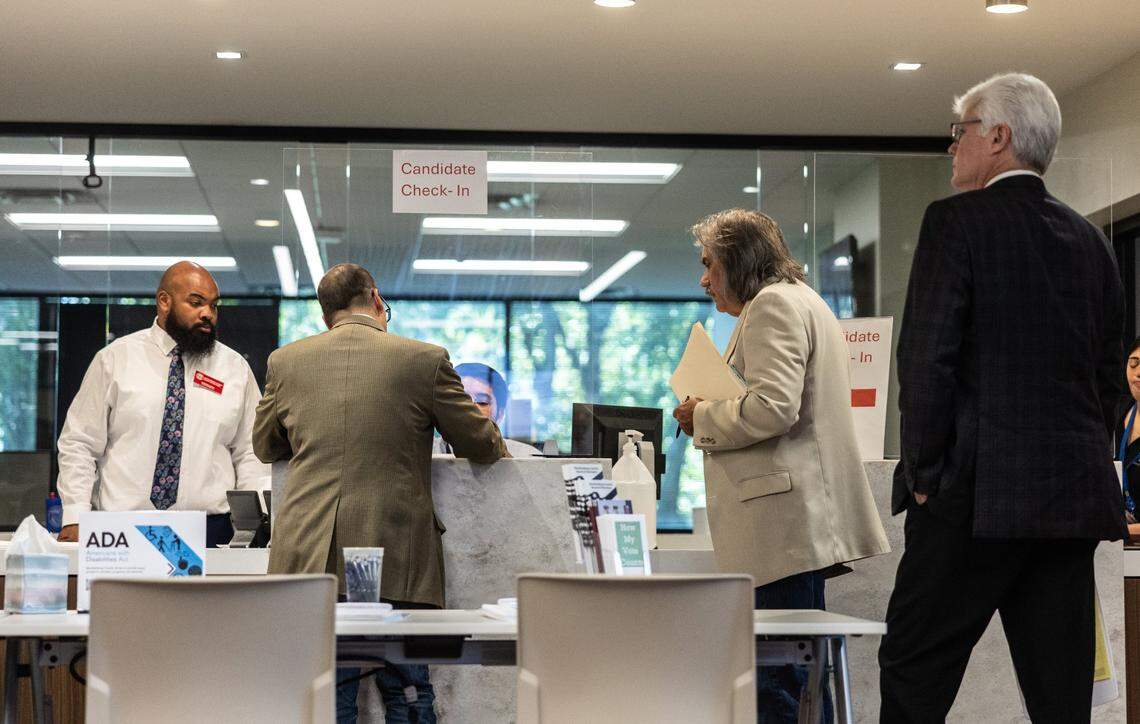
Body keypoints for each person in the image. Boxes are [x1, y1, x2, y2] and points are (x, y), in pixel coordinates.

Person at [878, 73, 1126, 723]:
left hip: (969, 499)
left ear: (999, 137)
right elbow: (1107, 382)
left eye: (960, 132)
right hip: (1068, 506)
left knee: (914, 671)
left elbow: (925, 361)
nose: (953, 146)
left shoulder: (954, 223)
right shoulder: (1092, 243)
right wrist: (1077, 461)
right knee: (1060, 694)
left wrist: (926, 478)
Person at [253, 263, 508, 724]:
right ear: (375, 299)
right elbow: (483, 445)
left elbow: (265, 444)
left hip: (311, 553)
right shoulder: (424, 359)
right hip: (396, 550)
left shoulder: (285, 361)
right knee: (407, 686)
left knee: (329, 689)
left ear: (325, 314)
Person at [672, 208, 889, 724]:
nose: (703, 279)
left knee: (780, 687)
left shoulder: (772, 305)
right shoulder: (802, 300)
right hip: (794, 528)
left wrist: (699, 413)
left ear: (739, 261)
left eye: (710, 264)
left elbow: (774, 407)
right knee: (804, 681)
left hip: (783, 532)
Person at [55, 261, 269, 548]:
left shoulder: (234, 369)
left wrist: (257, 525)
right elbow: (79, 443)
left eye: (213, 306)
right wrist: (75, 516)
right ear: (164, 301)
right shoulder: (115, 360)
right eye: (196, 303)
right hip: (122, 530)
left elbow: (251, 453)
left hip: (211, 530)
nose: (207, 313)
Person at [437, 361, 540, 457]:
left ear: (500, 414)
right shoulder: (425, 453)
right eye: (460, 399)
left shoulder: (528, 457)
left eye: (482, 401)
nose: (470, 408)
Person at [1115, 337, 1140, 539]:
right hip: (1120, 546)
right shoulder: (1119, 411)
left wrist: (1120, 530)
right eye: (1134, 363)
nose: (1138, 372)